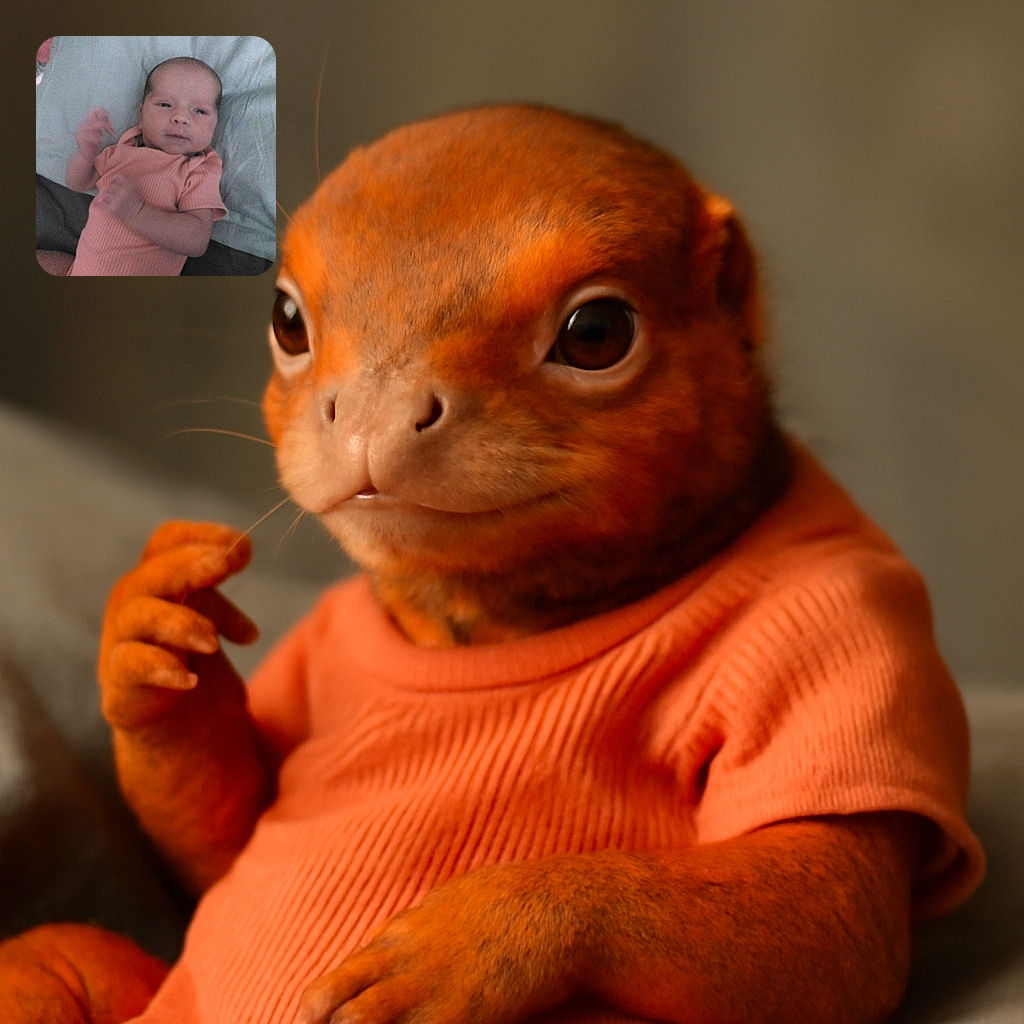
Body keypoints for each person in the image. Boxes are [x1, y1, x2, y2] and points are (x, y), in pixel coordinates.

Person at [64, 56, 227, 276]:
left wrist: (136, 212)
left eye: (199, 111)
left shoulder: (198, 168)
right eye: (165, 105)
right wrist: (85, 153)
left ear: (214, 126)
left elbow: (196, 240)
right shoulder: (122, 151)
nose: (180, 117)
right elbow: (78, 183)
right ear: (141, 116)